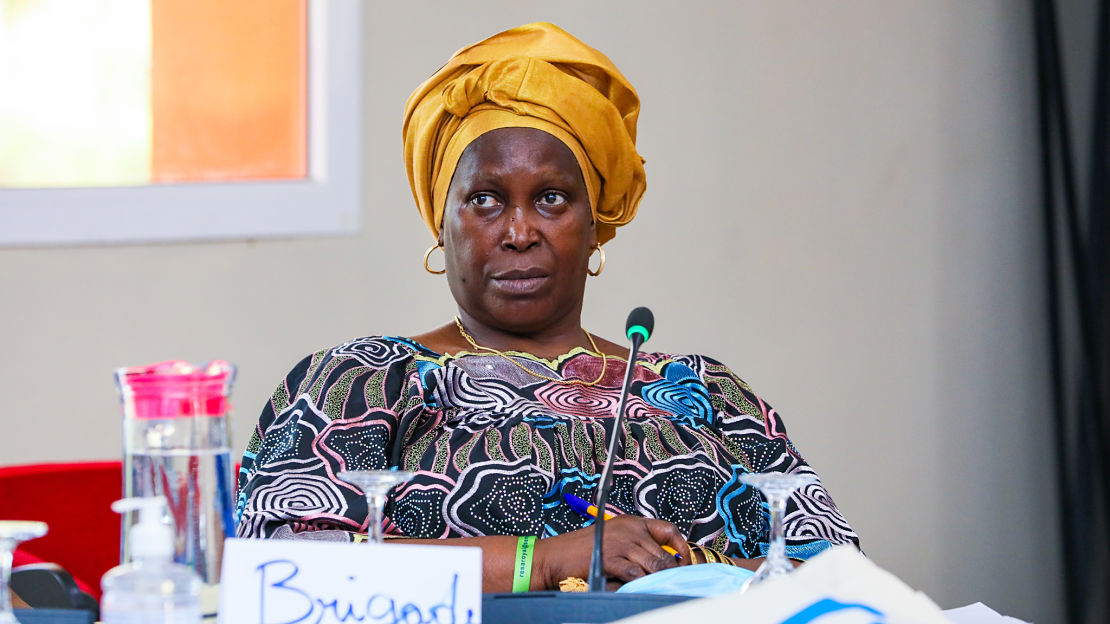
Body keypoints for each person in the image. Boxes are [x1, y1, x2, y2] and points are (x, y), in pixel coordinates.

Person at [235, 22, 859, 592]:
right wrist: (551, 558)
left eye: (553, 199)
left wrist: (686, 574)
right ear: (440, 224)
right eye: (484, 200)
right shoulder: (360, 386)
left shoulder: (705, 395)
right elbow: (284, 571)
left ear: (595, 227)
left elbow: (842, 575)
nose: (519, 231)